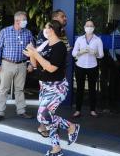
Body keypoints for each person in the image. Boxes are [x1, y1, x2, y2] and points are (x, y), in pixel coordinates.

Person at [23, 20, 80, 156]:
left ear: (52, 30)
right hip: (45, 85)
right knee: (48, 117)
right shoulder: (46, 43)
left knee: (43, 116)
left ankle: (71, 126)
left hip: (57, 88)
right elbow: (36, 65)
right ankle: (56, 149)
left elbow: (51, 68)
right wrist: (32, 54)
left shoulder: (59, 47)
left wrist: (35, 54)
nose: (44, 29)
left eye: (46, 27)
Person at [0, 11, 34, 122]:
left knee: (20, 89)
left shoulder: (28, 33)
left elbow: (32, 49)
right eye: (24, 20)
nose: (26, 22)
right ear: (17, 21)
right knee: (3, 89)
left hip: (22, 65)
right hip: (7, 64)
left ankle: (21, 111)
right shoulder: (5, 32)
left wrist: (30, 64)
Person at [36, 9, 71, 137]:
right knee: (47, 114)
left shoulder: (60, 40)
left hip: (56, 82)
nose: (65, 19)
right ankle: (54, 141)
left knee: (47, 114)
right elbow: (40, 57)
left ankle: (66, 130)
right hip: (46, 80)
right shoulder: (45, 36)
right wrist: (33, 54)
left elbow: (55, 62)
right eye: (63, 17)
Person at [72, 20, 104, 117]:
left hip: (92, 67)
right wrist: (80, 52)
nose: (89, 27)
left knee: (92, 89)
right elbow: (73, 53)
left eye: (91, 25)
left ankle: (93, 110)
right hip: (80, 66)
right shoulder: (79, 39)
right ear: (84, 27)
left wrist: (95, 53)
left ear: (94, 27)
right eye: (87, 25)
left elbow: (101, 55)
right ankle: (78, 110)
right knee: (79, 89)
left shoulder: (97, 40)